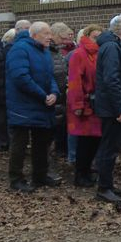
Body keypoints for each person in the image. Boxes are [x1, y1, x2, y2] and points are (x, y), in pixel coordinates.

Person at [5, 22, 61, 193]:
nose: (50, 37)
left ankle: (40, 175)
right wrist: (42, 95)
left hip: (42, 104)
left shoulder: (44, 52)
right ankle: (16, 179)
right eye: (46, 33)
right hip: (23, 105)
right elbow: (21, 77)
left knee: (41, 142)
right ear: (34, 35)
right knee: (20, 143)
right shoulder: (19, 49)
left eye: (50, 33)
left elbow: (49, 76)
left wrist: (54, 93)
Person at [93, 14, 121, 203]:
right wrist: (120, 108)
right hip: (111, 107)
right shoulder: (111, 47)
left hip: (114, 105)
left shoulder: (117, 46)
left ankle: (108, 184)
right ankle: (103, 188)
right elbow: (111, 79)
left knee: (112, 147)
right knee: (108, 147)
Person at [67, 24, 102, 187]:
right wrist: (78, 104)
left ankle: (87, 171)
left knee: (94, 140)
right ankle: (80, 174)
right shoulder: (79, 54)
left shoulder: (99, 54)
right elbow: (75, 81)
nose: (97, 40)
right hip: (85, 104)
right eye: (94, 36)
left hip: (96, 104)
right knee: (84, 141)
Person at [50, 22, 75, 159]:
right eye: (63, 38)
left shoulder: (57, 52)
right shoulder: (50, 52)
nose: (66, 42)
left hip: (60, 94)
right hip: (53, 95)